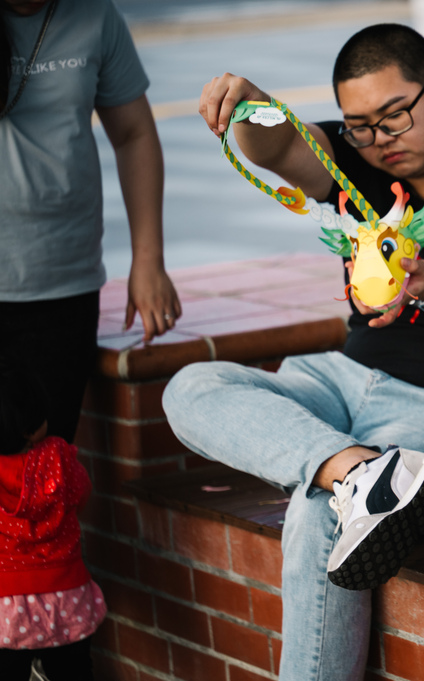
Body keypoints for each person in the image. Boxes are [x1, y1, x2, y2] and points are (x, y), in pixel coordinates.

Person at [161, 23, 424, 681]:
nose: (379, 140)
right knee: (190, 387)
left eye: (394, 117)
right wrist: (254, 105)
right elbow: (278, 146)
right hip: (344, 377)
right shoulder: (355, 158)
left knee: (320, 511)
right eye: (359, 126)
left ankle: (360, 482)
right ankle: (360, 472)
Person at [0, 0, 181, 443]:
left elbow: (134, 134)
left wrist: (148, 261)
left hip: (62, 286)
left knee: (48, 463)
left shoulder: (94, 14)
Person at [0, 370, 107, 681]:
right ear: (30, 429)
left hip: (6, 603)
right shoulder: (59, 456)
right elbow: (81, 493)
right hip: (67, 594)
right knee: (74, 671)